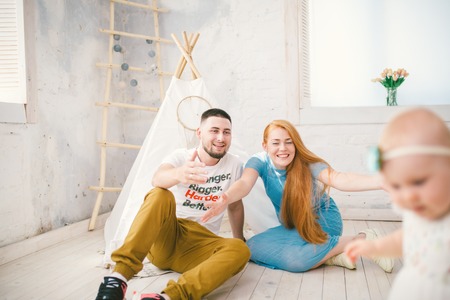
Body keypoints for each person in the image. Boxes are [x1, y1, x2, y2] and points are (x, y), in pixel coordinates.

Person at [95, 108, 250, 300]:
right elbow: (157, 178)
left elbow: (235, 205)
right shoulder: (181, 156)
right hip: (169, 235)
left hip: (200, 245)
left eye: (226, 132)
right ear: (199, 133)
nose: (221, 137)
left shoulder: (234, 164)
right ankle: (118, 278)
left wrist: (239, 239)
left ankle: (168, 297)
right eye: (214, 130)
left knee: (240, 249)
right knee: (160, 194)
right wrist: (179, 173)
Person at [202, 119, 393, 273]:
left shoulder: (305, 162)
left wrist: (379, 181)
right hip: (293, 226)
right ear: (265, 145)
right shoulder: (259, 161)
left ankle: (364, 238)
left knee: (297, 261)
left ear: (295, 143)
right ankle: (334, 255)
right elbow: (244, 183)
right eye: (275, 143)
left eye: (288, 142)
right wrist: (226, 197)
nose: (282, 149)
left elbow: (339, 179)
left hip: (323, 221)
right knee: (249, 248)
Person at [345, 108, 450, 300]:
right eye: (396, 186)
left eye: (418, 182)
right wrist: (376, 248)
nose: (408, 196)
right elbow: (405, 239)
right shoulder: (417, 212)